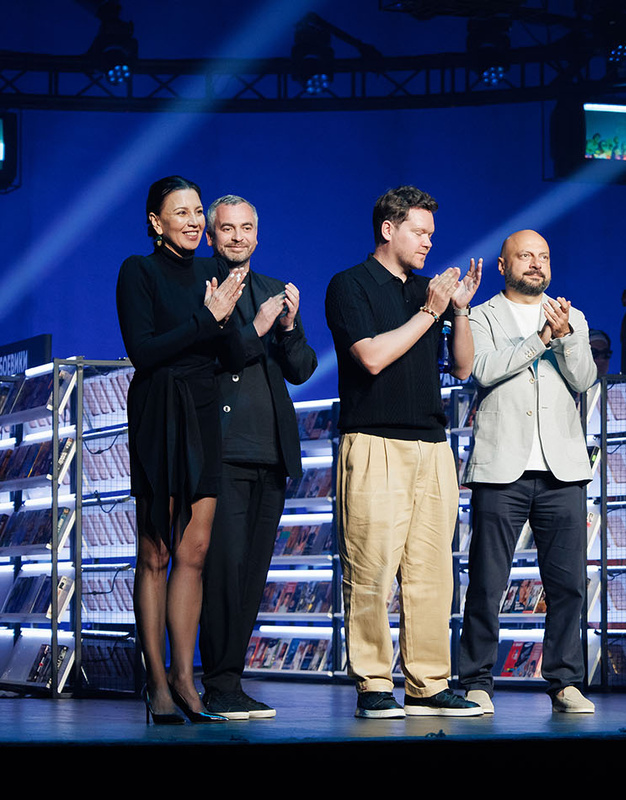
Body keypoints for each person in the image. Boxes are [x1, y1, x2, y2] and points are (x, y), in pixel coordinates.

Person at [324, 185, 483, 718]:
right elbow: (371, 357)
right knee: (371, 570)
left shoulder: (428, 292)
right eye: (419, 232)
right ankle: (373, 683)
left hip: (432, 445)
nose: (428, 243)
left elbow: (462, 368)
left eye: (432, 234)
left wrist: (458, 312)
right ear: (388, 229)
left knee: (432, 573)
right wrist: (430, 312)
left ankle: (428, 682)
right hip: (375, 442)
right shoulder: (349, 285)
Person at [115, 175, 247, 724]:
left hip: (202, 408)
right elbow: (143, 351)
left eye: (198, 212)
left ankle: (185, 679)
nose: (194, 222)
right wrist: (205, 319)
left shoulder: (212, 271)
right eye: (182, 212)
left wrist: (237, 320)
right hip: (159, 409)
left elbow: (233, 353)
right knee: (157, 553)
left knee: (194, 551)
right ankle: (156, 683)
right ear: (156, 221)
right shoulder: (138, 271)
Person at [458, 229, 597, 714]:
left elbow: (584, 379)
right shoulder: (481, 315)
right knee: (487, 582)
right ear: (503, 265)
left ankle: (565, 682)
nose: (536, 264)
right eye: (525, 256)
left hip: (562, 468)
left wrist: (565, 337)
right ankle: (476, 680)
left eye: (543, 256)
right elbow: (482, 369)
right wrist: (541, 339)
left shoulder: (571, 316)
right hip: (502, 467)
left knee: (568, 585)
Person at [198, 195, 317, 719]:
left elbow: (303, 368)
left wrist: (287, 328)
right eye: (227, 229)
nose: (238, 237)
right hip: (224, 451)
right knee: (223, 571)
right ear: (211, 236)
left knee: (251, 577)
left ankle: (232, 681)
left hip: (271, 454)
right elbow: (208, 359)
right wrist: (260, 327)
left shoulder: (273, 290)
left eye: (246, 228)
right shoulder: (201, 286)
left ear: (257, 234)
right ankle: (216, 683)